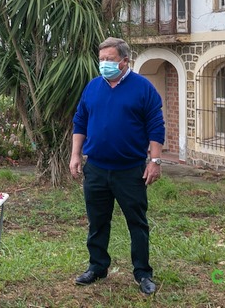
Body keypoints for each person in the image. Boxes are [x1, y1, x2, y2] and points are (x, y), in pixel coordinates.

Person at [70, 37, 166, 296]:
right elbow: (80, 121)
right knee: (97, 222)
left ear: (125, 60)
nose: (104, 64)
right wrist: (75, 155)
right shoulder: (93, 87)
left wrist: (154, 161)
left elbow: (156, 126)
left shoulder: (143, 88)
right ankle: (98, 266)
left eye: (109, 60)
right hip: (97, 169)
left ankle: (142, 273)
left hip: (130, 170)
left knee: (137, 222)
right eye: (101, 60)